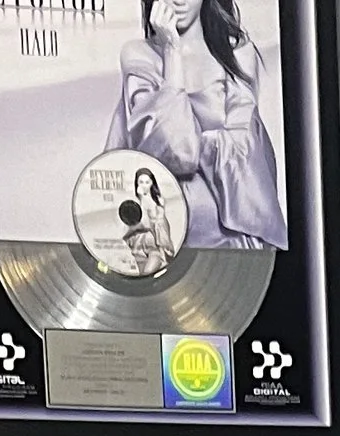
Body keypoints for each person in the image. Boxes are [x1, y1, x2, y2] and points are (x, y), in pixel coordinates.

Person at [114, 0, 288, 251]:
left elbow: (245, 153)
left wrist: (187, 140)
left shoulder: (238, 54)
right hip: (162, 237)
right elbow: (175, 152)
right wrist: (172, 51)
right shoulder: (139, 54)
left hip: (233, 238)